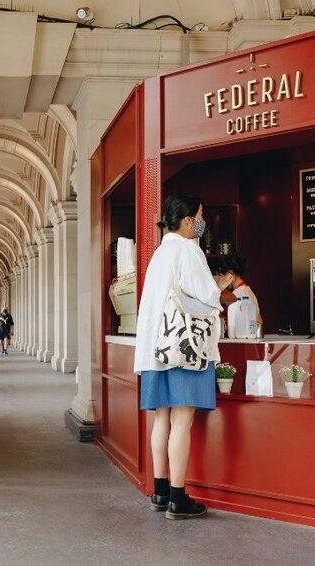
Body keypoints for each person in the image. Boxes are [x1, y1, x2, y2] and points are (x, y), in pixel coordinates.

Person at [133, 192, 233, 520]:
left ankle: (160, 492)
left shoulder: (160, 253)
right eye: (200, 216)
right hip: (184, 350)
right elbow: (206, 295)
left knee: (161, 418)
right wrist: (222, 284)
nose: (202, 223)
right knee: (182, 421)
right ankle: (178, 497)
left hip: (155, 348)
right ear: (189, 220)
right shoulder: (188, 250)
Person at [217, 255, 263, 333]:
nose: (220, 280)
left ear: (230, 273)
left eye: (221, 276)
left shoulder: (237, 295)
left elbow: (233, 324)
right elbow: (259, 320)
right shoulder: (248, 291)